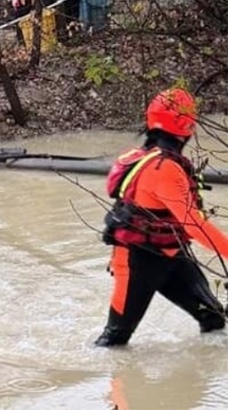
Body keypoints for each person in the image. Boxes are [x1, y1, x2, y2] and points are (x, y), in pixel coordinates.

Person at [95, 87, 228, 347]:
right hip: (137, 261)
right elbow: (194, 225)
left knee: (213, 318)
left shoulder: (142, 158)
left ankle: (204, 369)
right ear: (188, 126)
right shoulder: (164, 168)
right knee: (114, 339)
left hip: (173, 255)